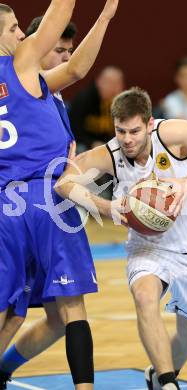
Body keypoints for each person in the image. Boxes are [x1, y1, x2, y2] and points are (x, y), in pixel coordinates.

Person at [55, 87, 187, 389]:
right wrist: (106, 207)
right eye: (120, 131)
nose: (127, 139)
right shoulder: (111, 153)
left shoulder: (171, 134)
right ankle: (168, 383)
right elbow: (64, 183)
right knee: (144, 297)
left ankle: (157, 377)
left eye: (134, 131)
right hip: (147, 248)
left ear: (149, 123)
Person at [0, 1, 119, 388]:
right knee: (72, 306)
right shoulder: (20, 66)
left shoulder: (35, 83)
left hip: (7, 204)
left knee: (13, 313)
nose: (21, 35)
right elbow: (60, 15)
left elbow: (76, 69)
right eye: (14, 27)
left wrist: (104, 18)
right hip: (45, 198)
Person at [69, 65, 125, 150]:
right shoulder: (84, 99)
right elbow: (73, 131)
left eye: (119, 84)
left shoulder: (116, 102)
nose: (117, 89)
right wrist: (92, 143)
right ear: (99, 81)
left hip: (104, 145)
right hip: (82, 144)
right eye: (112, 83)